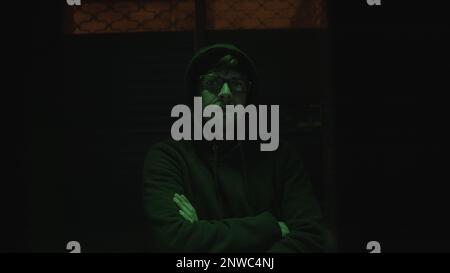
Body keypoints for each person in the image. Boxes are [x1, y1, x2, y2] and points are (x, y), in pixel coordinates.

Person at [142, 43, 330, 252]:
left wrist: (203, 235)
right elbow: (174, 240)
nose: (225, 93)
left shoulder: (280, 156)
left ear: (249, 97)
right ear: (196, 95)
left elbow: (312, 237)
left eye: (237, 85)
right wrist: (272, 228)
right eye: (213, 83)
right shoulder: (169, 158)